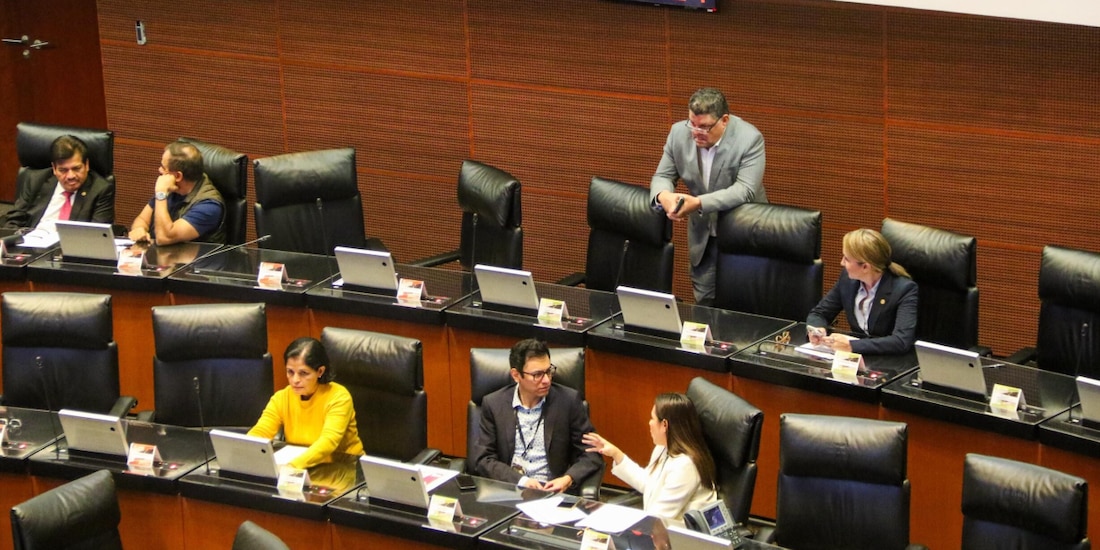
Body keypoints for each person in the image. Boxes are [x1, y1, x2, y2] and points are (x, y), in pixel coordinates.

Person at [650, 87, 767, 306]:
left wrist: (698, 203)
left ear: (724, 120)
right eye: (692, 124)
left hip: (742, 235)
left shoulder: (749, 139)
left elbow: (745, 190)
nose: (696, 132)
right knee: (704, 306)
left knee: (745, 307)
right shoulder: (678, 133)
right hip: (703, 238)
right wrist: (663, 195)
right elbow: (663, 176)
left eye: (704, 127)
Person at [472, 339, 602, 493]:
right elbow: (483, 459)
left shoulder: (568, 401)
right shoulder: (494, 404)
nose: (546, 380)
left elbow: (592, 452)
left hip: (551, 491)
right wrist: (521, 481)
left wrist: (568, 479)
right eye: (537, 375)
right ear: (516, 375)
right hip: (508, 489)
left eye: (548, 371)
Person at [582, 393, 717, 527]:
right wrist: (616, 454)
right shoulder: (663, 447)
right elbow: (647, 484)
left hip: (681, 535)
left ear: (664, 425)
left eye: (652, 418)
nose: (649, 423)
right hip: (659, 528)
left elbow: (658, 517)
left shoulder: (686, 466)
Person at [248, 337, 364, 470]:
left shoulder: (339, 397)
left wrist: (292, 466)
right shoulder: (282, 397)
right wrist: (243, 450)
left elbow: (328, 442)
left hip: (344, 469)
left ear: (320, 371)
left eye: (303, 373)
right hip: (304, 468)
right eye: (290, 372)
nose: (295, 380)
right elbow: (261, 431)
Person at [807, 228, 918, 355]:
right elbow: (819, 313)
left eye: (847, 259)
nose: (842, 263)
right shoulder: (848, 280)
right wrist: (818, 329)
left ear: (865, 267)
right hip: (855, 358)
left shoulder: (904, 289)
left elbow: (901, 341)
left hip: (888, 359)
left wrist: (852, 346)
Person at [2, 135, 114, 232]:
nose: (71, 176)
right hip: (32, 242)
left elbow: (96, 235)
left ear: (87, 165)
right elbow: (14, 221)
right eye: (63, 170)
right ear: (54, 168)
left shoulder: (100, 189)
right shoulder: (36, 180)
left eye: (76, 168)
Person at [128, 142, 225, 245]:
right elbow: (143, 219)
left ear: (178, 176)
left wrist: (161, 193)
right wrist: (139, 229)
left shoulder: (209, 206)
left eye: (163, 167)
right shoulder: (172, 188)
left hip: (193, 255)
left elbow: (164, 238)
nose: (159, 170)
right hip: (161, 253)